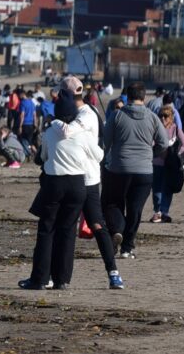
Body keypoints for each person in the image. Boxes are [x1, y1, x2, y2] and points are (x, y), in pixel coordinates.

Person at [18, 88, 104, 290]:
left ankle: (39, 279)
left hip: (54, 182)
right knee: (67, 231)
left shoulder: (49, 133)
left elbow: (43, 156)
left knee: (47, 230)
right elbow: (99, 156)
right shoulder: (82, 134)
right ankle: (62, 279)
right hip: (77, 185)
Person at [51, 76, 125, 290]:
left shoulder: (86, 114)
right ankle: (59, 277)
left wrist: (52, 121)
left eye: (61, 94)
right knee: (65, 228)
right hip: (71, 176)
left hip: (87, 179)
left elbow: (67, 132)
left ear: (67, 94)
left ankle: (113, 272)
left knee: (97, 225)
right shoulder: (78, 113)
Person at [102, 81, 169, 259]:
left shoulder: (116, 116)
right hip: (144, 172)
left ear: (128, 97)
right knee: (135, 209)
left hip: (118, 169)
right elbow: (164, 142)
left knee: (113, 203)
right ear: (144, 97)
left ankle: (117, 230)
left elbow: (104, 144)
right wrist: (150, 154)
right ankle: (127, 247)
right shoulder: (153, 117)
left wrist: (105, 160)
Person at [150, 106, 184, 223]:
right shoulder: (154, 128)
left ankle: (164, 211)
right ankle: (157, 211)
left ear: (171, 117)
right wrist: (158, 151)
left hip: (170, 164)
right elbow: (149, 144)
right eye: (160, 115)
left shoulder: (176, 129)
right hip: (156, 163)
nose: (162, 118)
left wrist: (175, 154)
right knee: (156, 188)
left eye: (165, 116)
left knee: (167, 189)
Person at [19, 90, 37, 155]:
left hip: (25, 124)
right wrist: (35, 124)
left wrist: (20, 125)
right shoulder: (32, 103)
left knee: (24, 140)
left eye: (20, 95)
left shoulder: (22, 103)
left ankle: (30, 153)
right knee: (30, 140)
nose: (19, 96)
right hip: (31, 124)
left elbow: (22, 115)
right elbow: (34, 114)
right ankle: (33, 152)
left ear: (23, 94)